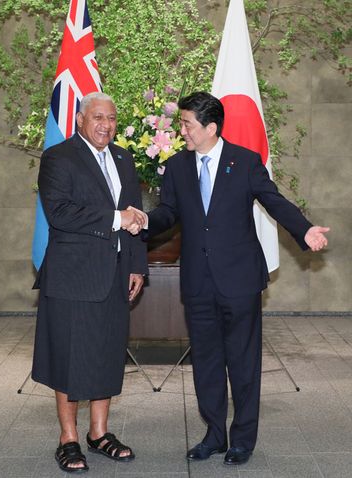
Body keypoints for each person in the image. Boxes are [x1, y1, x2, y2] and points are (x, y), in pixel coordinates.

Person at [136, 91, 329, 466]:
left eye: (188, 124)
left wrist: (303, 230)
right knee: (206, 361)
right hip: (197, 282)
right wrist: (143, 222)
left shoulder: (244, 161)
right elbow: (168, 214)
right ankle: (213, 434)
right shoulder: (176, 167)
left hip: (239, 279)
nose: (183, 131)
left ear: (210, 127)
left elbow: (273, 200)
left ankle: (242, 438)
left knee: (242, 361)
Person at [32, 92, 148, 473]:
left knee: (106, 354)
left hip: (115, 275)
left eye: (112, 118)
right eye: (98, 117)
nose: (106, 125)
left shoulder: (122, 158)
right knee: (68, 357)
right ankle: (68, 439)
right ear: (80, 120)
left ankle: (100, 434)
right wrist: (116, 218)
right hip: (72, 276)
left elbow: (135, 216)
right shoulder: (59, 157)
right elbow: (60, 212)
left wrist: (136, 267)